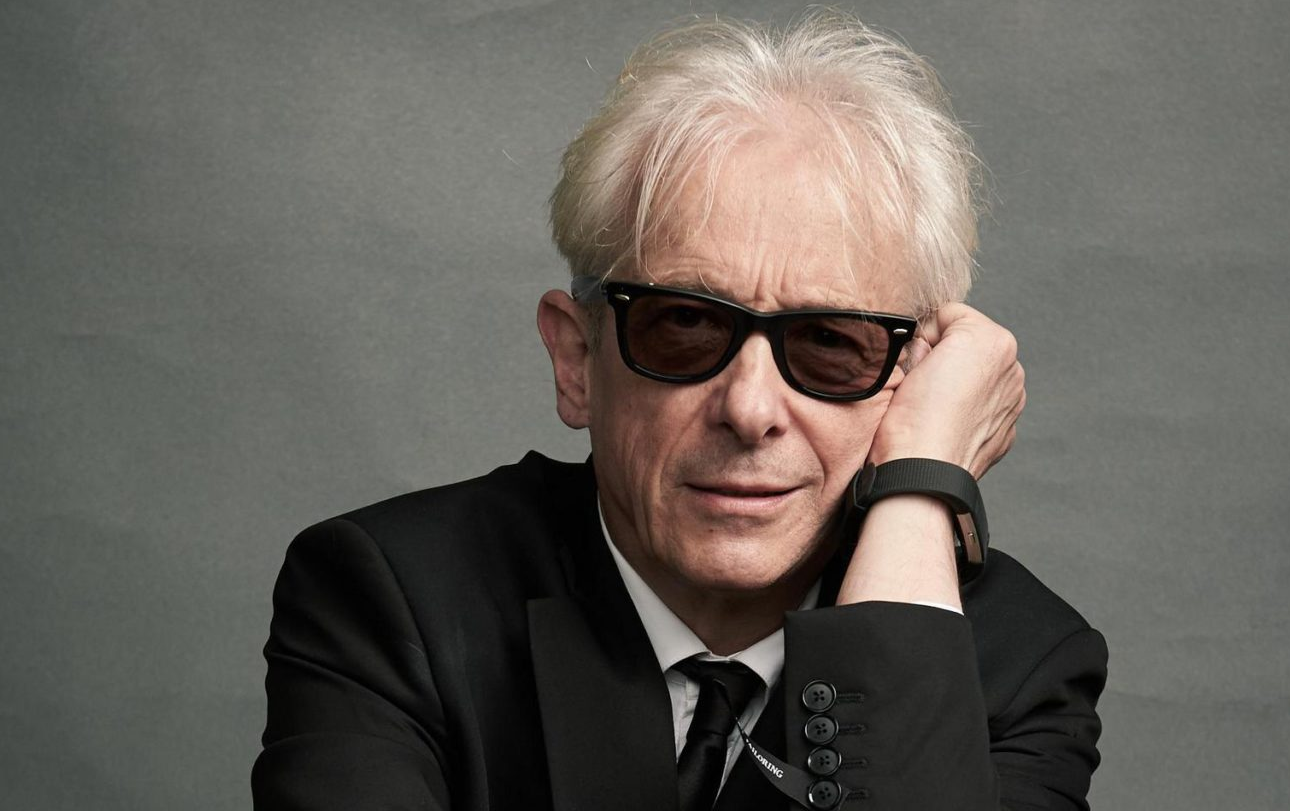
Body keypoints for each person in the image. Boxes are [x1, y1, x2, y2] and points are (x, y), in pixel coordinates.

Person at [253, 11, 1107, 811]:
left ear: (909, 378)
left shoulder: (1017, 664)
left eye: (829, 343)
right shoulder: (392, 597)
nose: (750, 409)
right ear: (576, 360)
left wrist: (919, 488)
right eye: (685, 327)